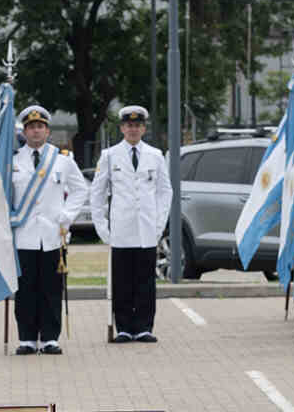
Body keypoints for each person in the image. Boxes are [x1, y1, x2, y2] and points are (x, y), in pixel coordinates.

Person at [9, 105, 87, 354]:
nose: (35, 131)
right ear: (25, 131)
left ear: (47, 130)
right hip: (23, 236)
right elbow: (2, 195)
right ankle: (27, 338)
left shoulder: (62, 160)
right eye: (31, 127)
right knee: (25, 289)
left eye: (40, 127)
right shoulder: (12, 161)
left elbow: (80, 190)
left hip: (53, 235)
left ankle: (50, 338)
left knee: (51, 289)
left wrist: (66, 216)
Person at [91, 105, 172, 342]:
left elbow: (165, 191)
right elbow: (97, 193)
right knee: (122, 281)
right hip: (121, 228)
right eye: (129, 125)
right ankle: (124, 327)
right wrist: (102, 227)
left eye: (137, 125)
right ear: (122, 128)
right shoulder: (109, 156)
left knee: (146, 280)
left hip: (147, 228)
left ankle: (144, 326)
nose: (133, 129)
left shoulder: (155, 155)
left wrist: (159, 224)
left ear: (144, 128)